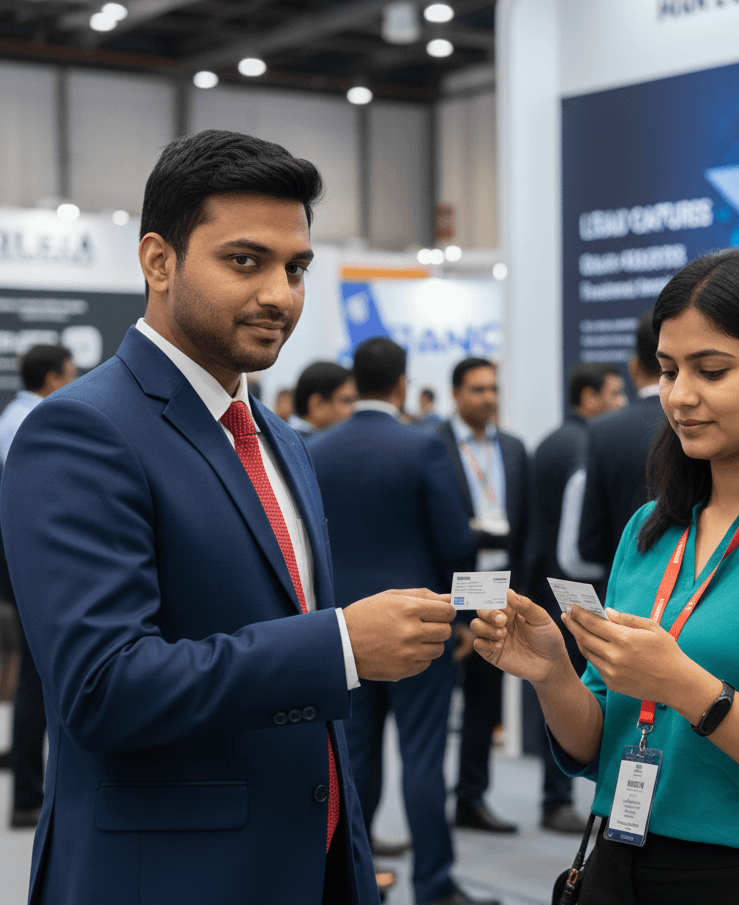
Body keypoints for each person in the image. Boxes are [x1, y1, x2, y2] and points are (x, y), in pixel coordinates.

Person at [0, 129, 457, 905]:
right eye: (245, 261)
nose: (280, 294)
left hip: (309, 866)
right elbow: (103, 686)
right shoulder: (81, 429)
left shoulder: (281, 440)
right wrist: (343, 644)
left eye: (296, 267)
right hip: (167, 877)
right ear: (158, 260)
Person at [472, 248, 739, 903]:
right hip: (618, 862)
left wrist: (688, 686)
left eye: (712, 371)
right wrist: (553, 673)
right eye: (668, 370)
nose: (680, 397)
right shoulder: (652, 528)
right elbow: (601, 743)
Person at [308, 337, 487, 905]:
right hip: (421, 625)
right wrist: (462, 619)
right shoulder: (424, 447)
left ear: (354, 382)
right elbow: (457, 541)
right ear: (403, 383)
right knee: (424, 757)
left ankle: (355, 882)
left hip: (345, 629)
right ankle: (433, 885)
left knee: (354, 757)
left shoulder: (314, 448)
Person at [525, 361, 623, 833]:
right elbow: (577, 545)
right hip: (577, 595)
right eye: (612, 392)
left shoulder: (546, 443)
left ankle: (553, 796)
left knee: (554, 693)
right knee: (573, 692)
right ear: (587, 397)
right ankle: (556, 799)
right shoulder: (586, 446)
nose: (619, 403)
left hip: (545, 586)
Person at [437, 358, 528, 834]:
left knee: (485, 701)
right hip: (449, 591)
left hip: (498, 590)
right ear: (456, 394)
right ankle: (427, 805)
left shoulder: (513, 449)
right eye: (478, 390)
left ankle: (471, 799)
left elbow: (527, 526)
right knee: (433, 703)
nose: (489, 398)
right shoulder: (433, 446)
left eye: (494, 389)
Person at [0, 344, 77, 829]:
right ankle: (28, 793)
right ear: (50, 378)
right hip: (32, 561)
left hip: (23, 560)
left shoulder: (20, 417)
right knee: (35, 676)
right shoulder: (28, 424)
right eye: (69, 375)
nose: (73, 383)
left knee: (38, 672)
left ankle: (31, 787)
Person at [574, 311, 665, 576]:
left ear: (634, 366)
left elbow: (589, 543)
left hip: (623, 588)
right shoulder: (706, 424)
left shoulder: (602, 431)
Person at [290, 360, 357, 433]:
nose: (355, 408)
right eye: (347, 401)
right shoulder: (299, 442)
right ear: (318, 405)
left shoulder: (290, 438)